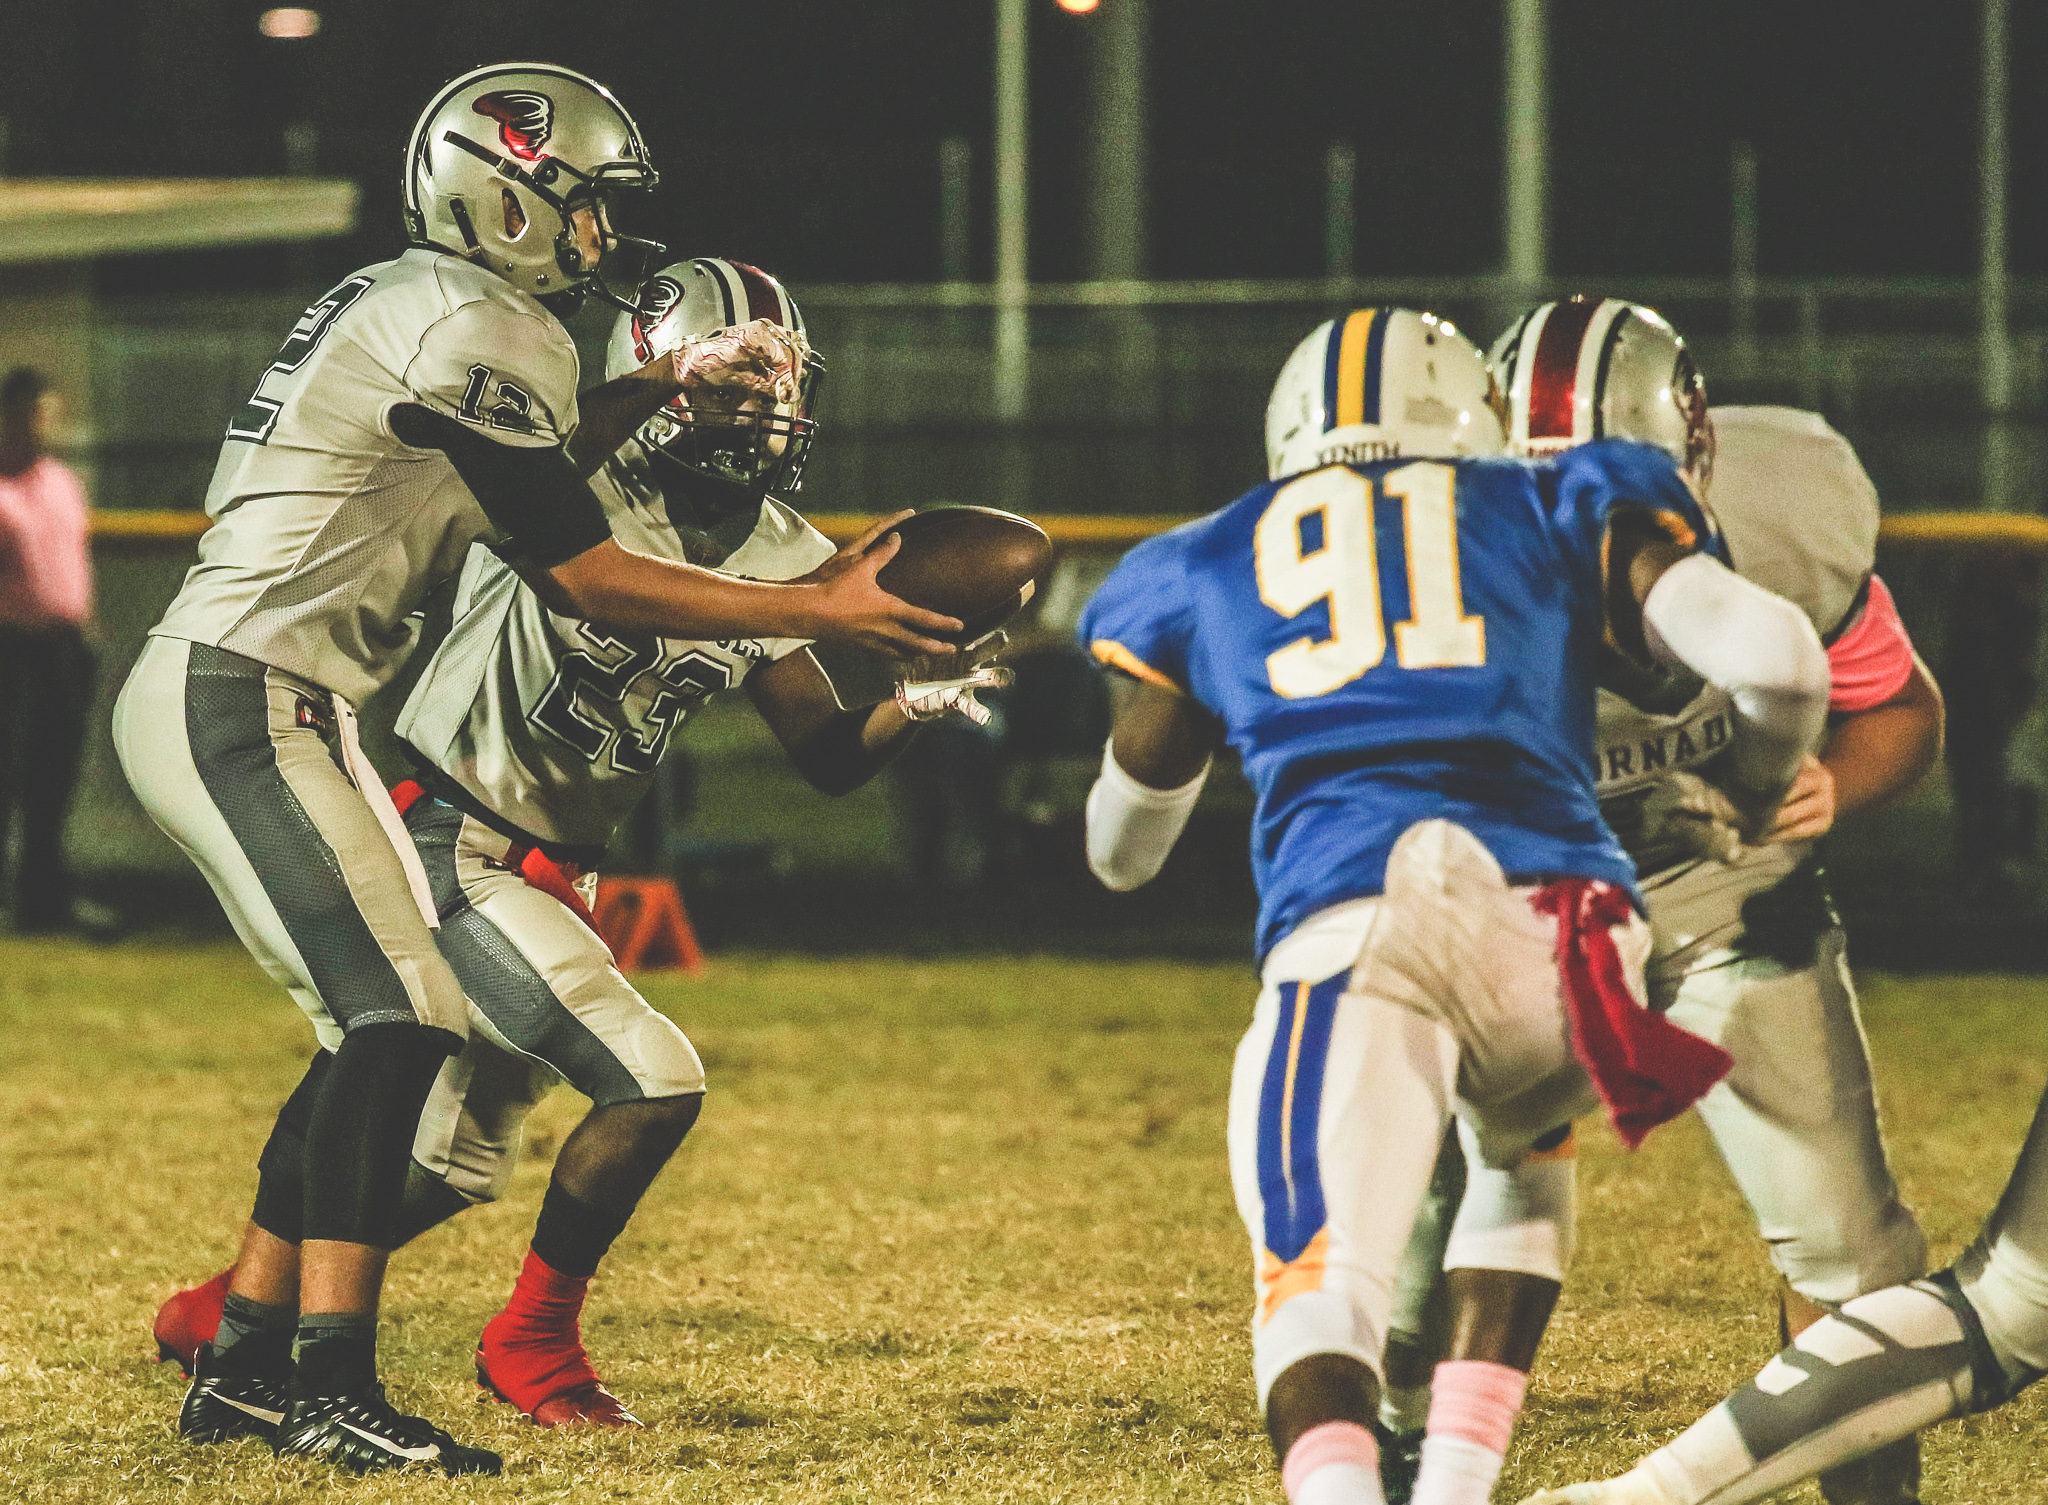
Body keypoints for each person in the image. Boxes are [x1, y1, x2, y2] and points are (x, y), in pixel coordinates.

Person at [120, 66, 958, 1479]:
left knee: (393, 1053)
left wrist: (671, 386)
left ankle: (245, 1357)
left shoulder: (429, 304)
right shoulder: (486, 324)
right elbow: (583, 567)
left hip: (284, 687)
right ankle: (327, 1385)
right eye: (589, 204)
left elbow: (540, 472)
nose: (603, 235)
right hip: (249, 686)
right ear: (508, 190)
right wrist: (820, 606)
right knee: (395, 1020)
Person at [1077, 307, 1833, 1505]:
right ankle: (1455, 1485)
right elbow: (1781, 660)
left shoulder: (1209, 555)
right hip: (1572, 939)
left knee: (1318, 1285)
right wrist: (1750, 786)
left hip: (1360, 917)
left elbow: (1120, 854)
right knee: (1522, 1150)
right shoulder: (1554, 497)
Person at [1372, 299, 1943, 1505]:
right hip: (1512, 885)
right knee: (1426, 1204)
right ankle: (1398, 1441)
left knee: (1846, 1249)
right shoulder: (1411, 549)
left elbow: (1897, 709)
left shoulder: (1781, 512)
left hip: (1720, 885)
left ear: (1697, 463)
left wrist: (1827, 785)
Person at [0, 367, 96, 932]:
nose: (39, 425)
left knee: (54, 775)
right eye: (29, 412)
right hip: (12, 647)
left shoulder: (62, 482)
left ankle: (43, 898)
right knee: (6, 773)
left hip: (66, 648)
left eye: (46, 413)